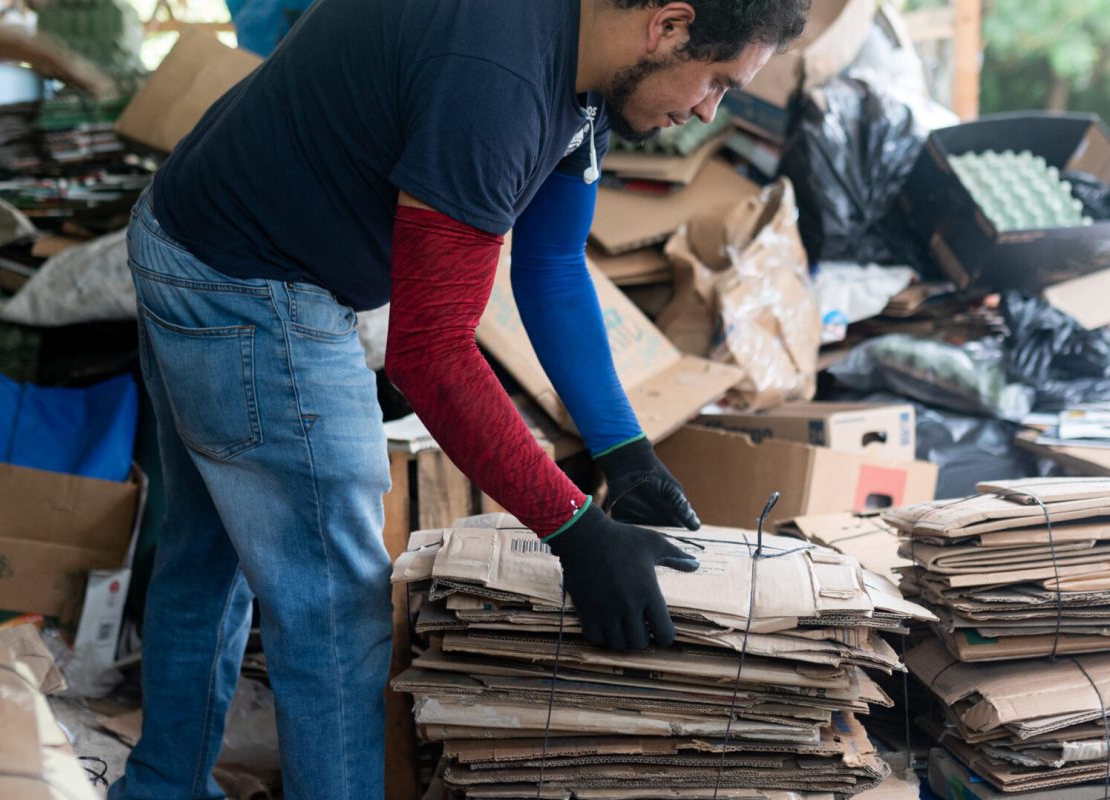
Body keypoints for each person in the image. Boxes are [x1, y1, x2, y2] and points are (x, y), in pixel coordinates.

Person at [113, 0, 812, 797]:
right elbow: (430, 352)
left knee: (208, 556)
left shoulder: (583, 70)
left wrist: (628, 452)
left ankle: (159, 788)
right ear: (670, 25)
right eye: (716, 81)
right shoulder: (497, 76)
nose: (707, 110)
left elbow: (550, 267)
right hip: (248, 280)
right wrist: (577, 532)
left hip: (197, 233)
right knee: (336, 610)